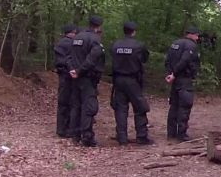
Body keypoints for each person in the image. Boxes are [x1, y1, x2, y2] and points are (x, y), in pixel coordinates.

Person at [110, 21, 153, 146]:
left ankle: (122, 138)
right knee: (140, 108)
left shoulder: (116, 45)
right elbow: (145, 58)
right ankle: (142, 136)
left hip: (118, 80)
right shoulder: (138, 45)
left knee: (121, 109)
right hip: (133, 80)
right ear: (134, 31)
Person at [68, 15, 106, 147]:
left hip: (76, 77)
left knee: (76, 106)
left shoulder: (77, 37)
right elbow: (92, 59)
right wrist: (79, 71)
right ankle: (87, 137)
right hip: (87, 78)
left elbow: (69, 56)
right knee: (88, 107)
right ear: (98, 26)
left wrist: (72, 70)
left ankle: (75, 135)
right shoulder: (95, 39)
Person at [164, 27, 201, 142]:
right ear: (193, 35)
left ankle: (171, 133)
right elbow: (184, 60)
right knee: (185, 105)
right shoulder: (191, 46)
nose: (197, 38)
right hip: (184, 79)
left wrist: (171, 73)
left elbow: (167, 61)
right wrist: (175, 73)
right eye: (197, 36)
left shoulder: (175, 43)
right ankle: (181, 134)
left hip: (175, 79)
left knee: (174, 105)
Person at [54, 24, 78, 138]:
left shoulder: (62, 43)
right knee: (65, 102)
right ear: (71, 33)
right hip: (66, 76)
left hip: (64, 75)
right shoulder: (68, 43)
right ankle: (63, 129)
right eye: (75, 33)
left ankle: (63, 128)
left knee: (65, 102)